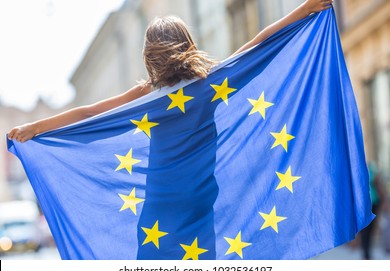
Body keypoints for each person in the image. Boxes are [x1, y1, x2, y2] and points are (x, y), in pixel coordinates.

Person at [8, 0, 333, 142]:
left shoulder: (147, 94)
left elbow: (88, 112)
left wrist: (36, 127)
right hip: (201, 190)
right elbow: (256, 43)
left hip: (163, 193)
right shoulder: (211, 81)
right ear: (188, 44)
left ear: (150, 54)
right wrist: (304, 10)